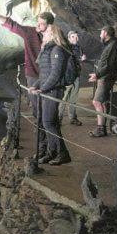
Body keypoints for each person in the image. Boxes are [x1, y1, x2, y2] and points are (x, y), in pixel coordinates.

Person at [0, 6, 54, 153]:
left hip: (49, 78)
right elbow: (11, 24)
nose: (37, 25)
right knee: (38, 112)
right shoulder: (31, 33)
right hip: (33, 77)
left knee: (49, 114)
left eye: (41, 24)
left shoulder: (55, 38)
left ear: (49, 25)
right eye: (37, 22)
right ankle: (43, 145)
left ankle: (50, 145)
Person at [29, 24, 71, 165]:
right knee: (48, 122)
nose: (43, 35)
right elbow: (45, 74)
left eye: (46, 33)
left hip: (54, 90)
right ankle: (51, 153)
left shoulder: (57, 49)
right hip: (49, 90)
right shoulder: (49, 49)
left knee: (49, 122)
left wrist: (43, 88)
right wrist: (35, 85)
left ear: (52, 35)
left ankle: (62, 153)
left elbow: (55, 74)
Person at [88, 25, 117, 137]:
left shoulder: (112, 46)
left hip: (105, 78)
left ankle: (101, 129)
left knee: (96, 102)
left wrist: (97, 74)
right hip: (105, 77)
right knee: (102, 102)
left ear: (106, 33)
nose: (100, 35)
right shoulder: (111, 45)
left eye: (101, 32)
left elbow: (109, 65)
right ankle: (102, 128)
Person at [59, 31, 86, 126]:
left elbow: (77, 62)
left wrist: (82, 59)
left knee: (73, 99)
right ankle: (58, 119)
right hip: (67, 77)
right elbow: (69, 62)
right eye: (73, 37)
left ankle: (73, 118)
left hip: (76, 77)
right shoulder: (66, 49)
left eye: (76, 36)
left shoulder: (79, 48)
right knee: (63, 99)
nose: (76, 38)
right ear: (69, 38)